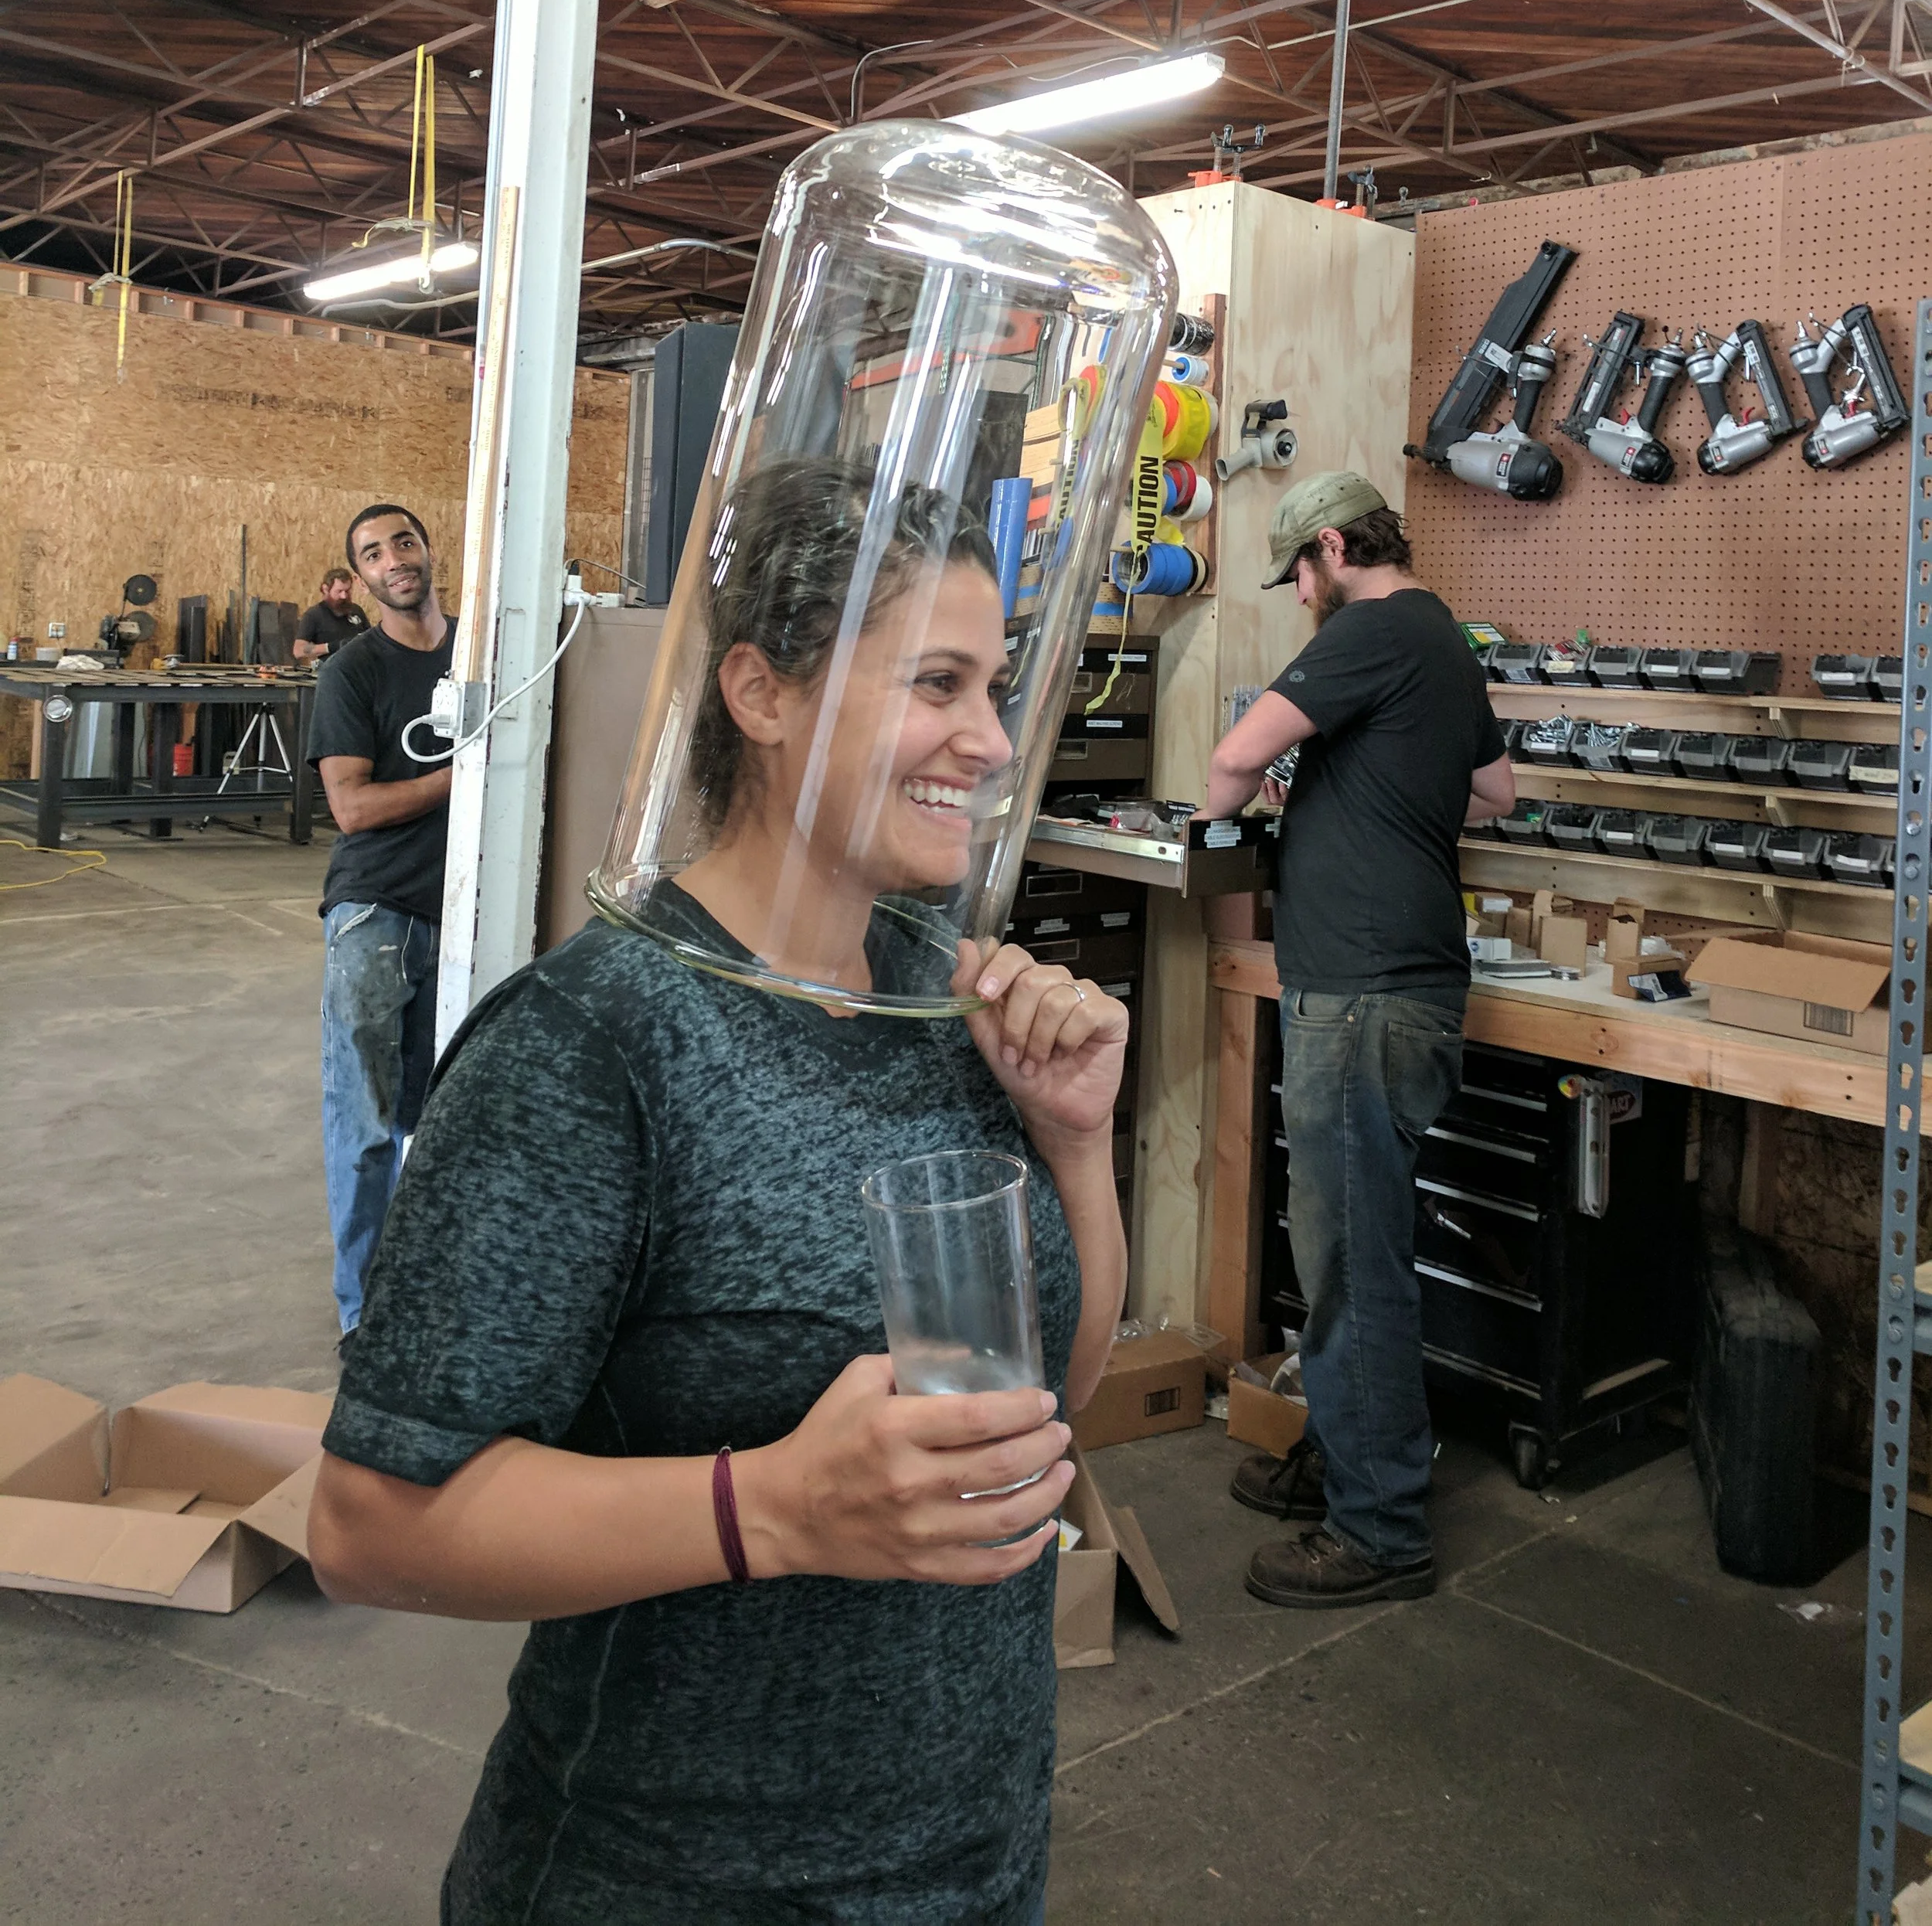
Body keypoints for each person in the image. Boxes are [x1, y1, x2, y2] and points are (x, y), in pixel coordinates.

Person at [306, 458, 1130, 1926]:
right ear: (761, 693)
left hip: (973, 1854)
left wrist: (1072, 1142)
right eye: (936, 683)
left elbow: (1036, 1418)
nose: (991, 740)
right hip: (671, 1876)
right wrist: (777, 1509)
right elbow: (372, 1524)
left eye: (996, 686)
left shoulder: (947, 1004)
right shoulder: (592, 1044)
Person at [1205, 472, 1513, 1611]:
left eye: (1298, 569)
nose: (1298, 594)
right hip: (1409, 986)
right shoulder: (1441, 639)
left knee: (1349, 1261)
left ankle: (1379, 1527)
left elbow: (1239, 754)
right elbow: (1497, 791)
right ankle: (1348, 1453)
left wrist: (1210, 811)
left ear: (1334, 545)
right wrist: (1368, 786)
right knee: (1356, 1239)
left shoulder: (1375, 626)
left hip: (1364, 996)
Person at [307, 502, 454, 1349]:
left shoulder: (484, 650)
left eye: (403, 541)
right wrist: (462, 775)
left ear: (429, 550)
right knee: (365, 1123)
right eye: (373, 552)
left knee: (444, 1119)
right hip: (378, 911)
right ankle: (365, 1317)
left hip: (472, 914)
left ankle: (436, 1293)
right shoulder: (353, 672)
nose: (394, 559)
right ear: (359, 580)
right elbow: (353, 807)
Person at [293, 567, 370, 662]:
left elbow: (370, 639)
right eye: (339, 591)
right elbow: (299, 651)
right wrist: (331, 647)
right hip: (333, 670)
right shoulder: (314, 615)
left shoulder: (356, 610)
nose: (344, 596)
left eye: (347, 591)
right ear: (326, 589)